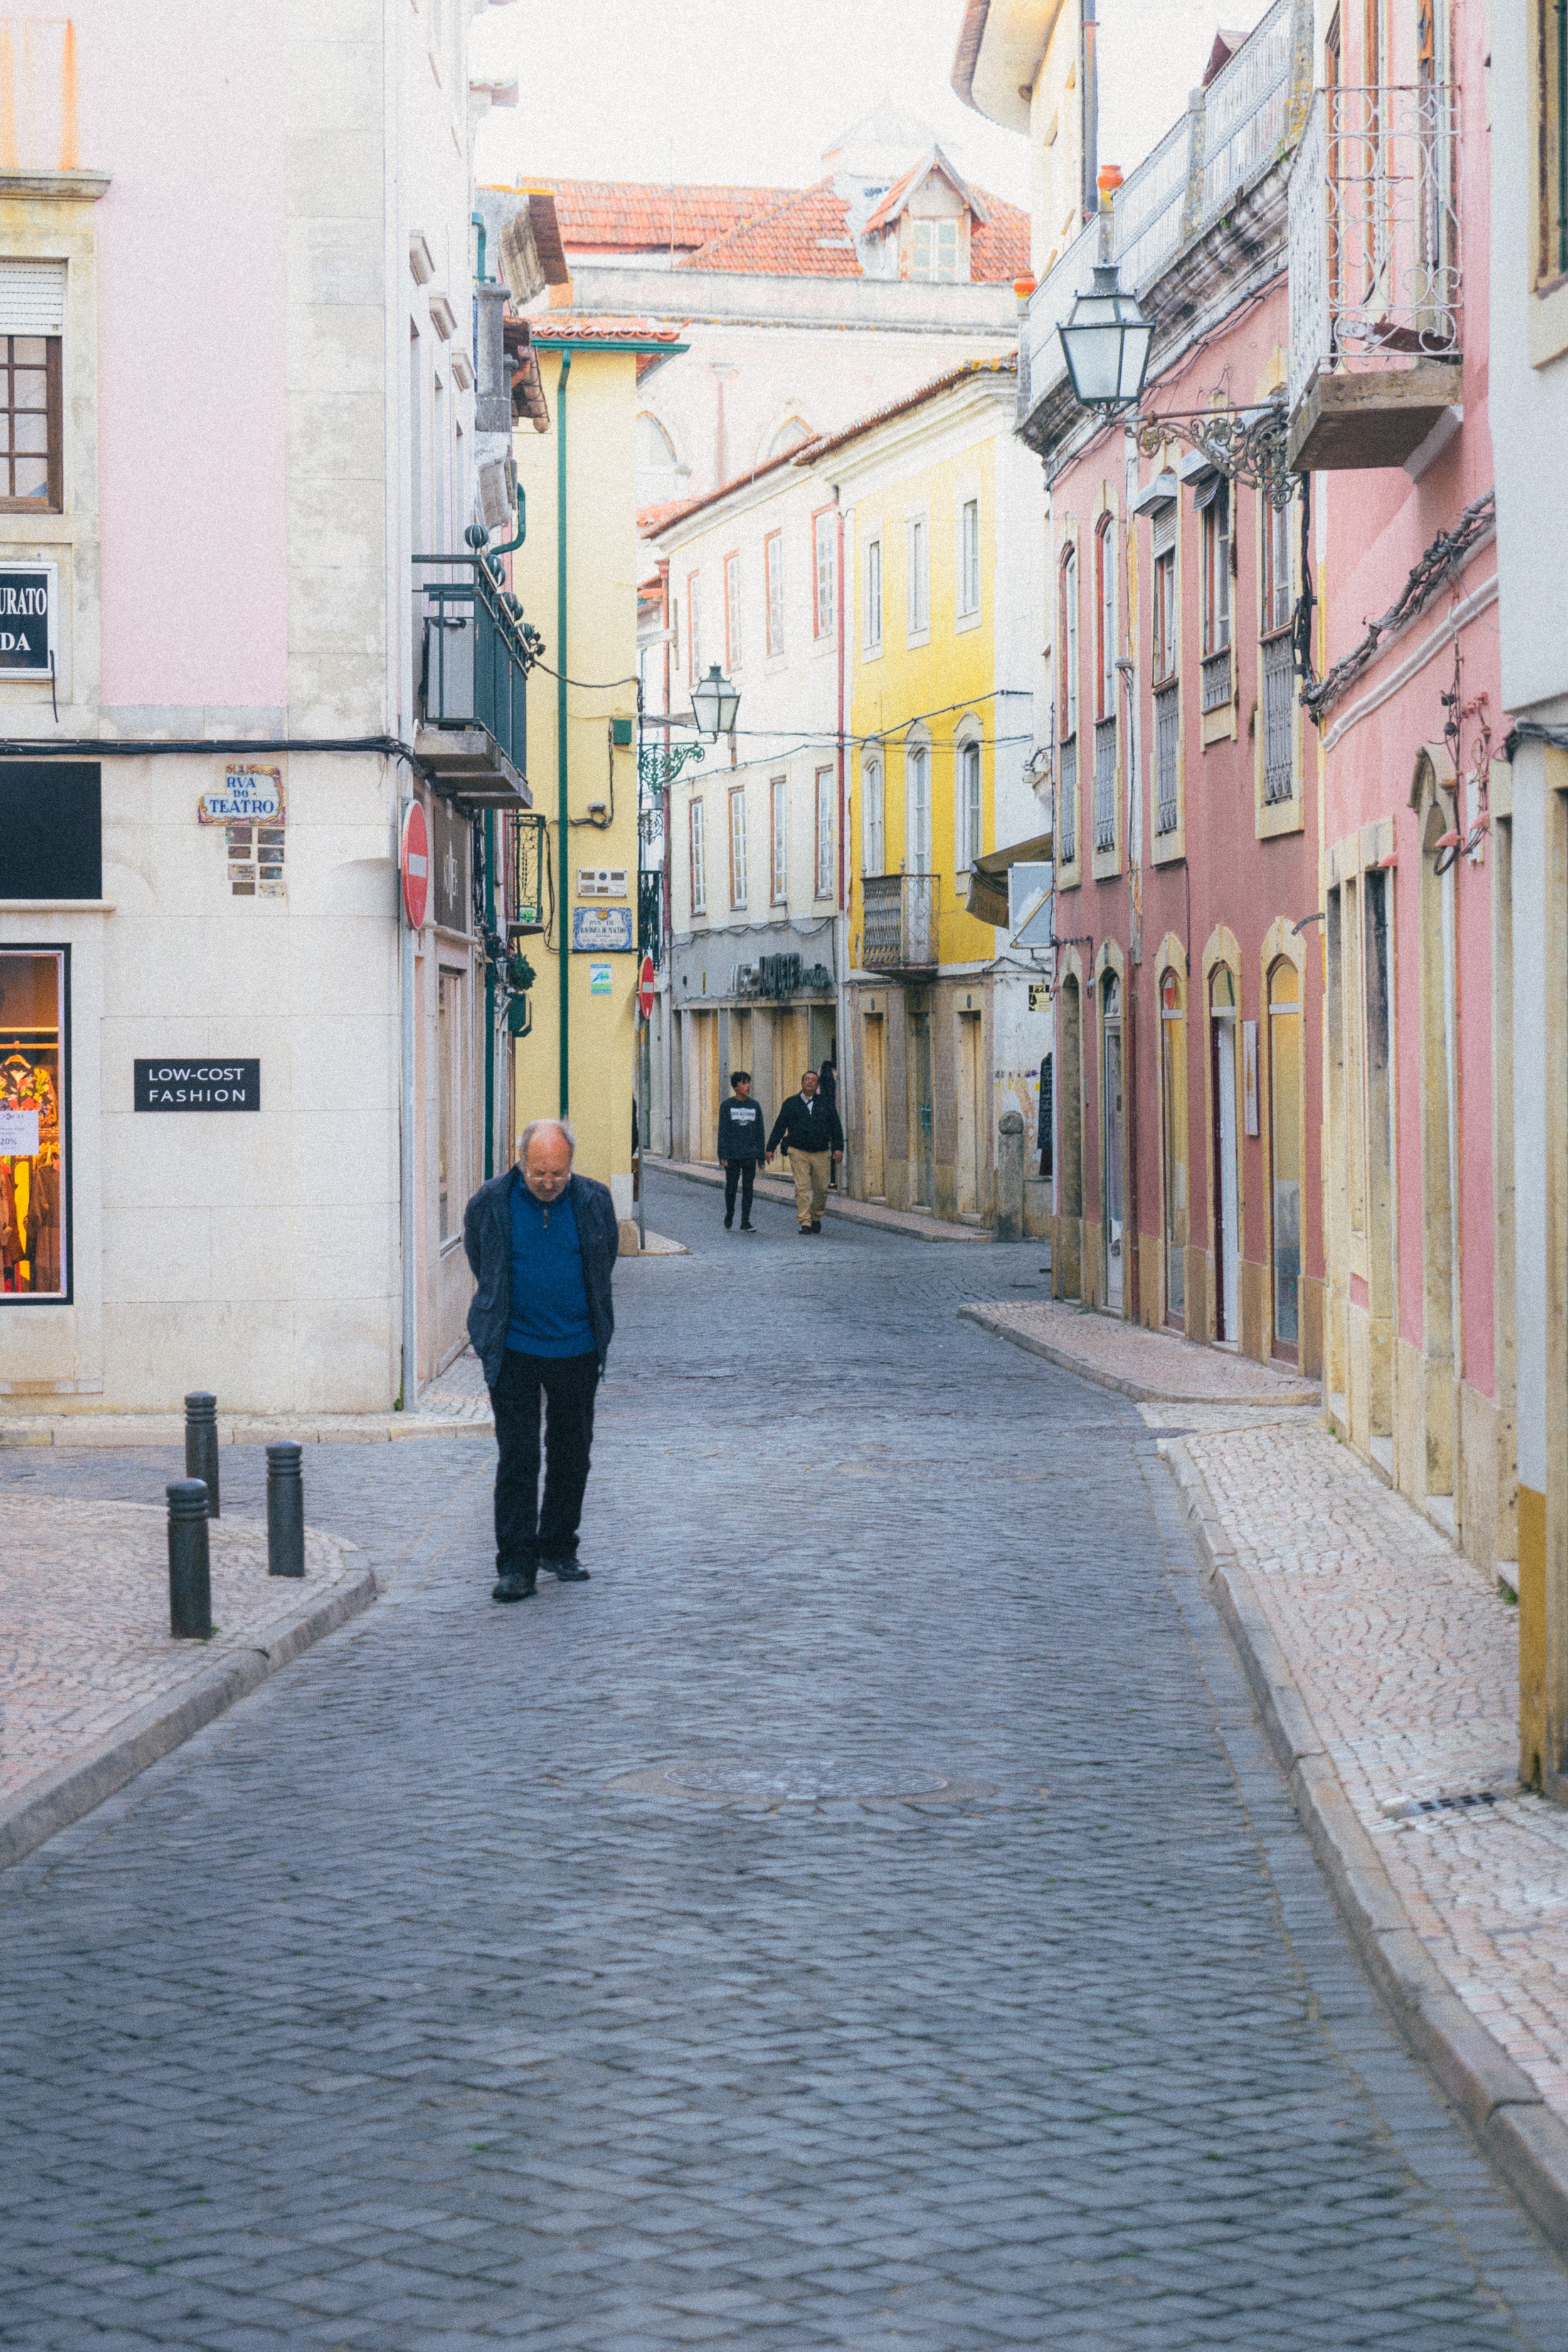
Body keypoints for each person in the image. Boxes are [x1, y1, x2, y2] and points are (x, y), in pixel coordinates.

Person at [462, 1118, 619, 1603]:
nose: (548, 1183)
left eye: (557, 1174)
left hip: (576, 1346)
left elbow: (604, 1260)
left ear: (570, 1165)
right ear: (522, 1163)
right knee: (519, 1457)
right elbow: (479, 1259)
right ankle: (516, 1565)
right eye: (539, 1174)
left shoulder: (594, 1202)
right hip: (514, 1348)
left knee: (573, 1454)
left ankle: (558, 1546)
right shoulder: (491, 1202)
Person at [767, 1068, 844, 1234]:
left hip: (821, 1152)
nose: (810, 1082)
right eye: (807, 1079)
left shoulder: (826, 1103)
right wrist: (770, 1148)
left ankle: (816, 1216)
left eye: (814, 1080)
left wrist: (839, 1147)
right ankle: (805, 1222)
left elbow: (836, 1127)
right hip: (798, 1151)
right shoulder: (791, 1103)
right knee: (802, 1187)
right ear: (802, 1083)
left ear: (817, 1085)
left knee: (822, 1189)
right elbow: (780, 1126)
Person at [716, 1069, 766, 1232]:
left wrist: (761, 1156)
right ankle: (730, 1213)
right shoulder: (727, 1106)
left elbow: (760, 1131)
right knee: (731, 1187)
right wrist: (722, 1154)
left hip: (750, 1154)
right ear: (736, 1086)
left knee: (748, 1187)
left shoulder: (755, 1106)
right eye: (744, 1083)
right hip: (732, 1154)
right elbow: (722, 1131)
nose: (748, 1086)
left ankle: (745, 1221)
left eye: (749, 1082)